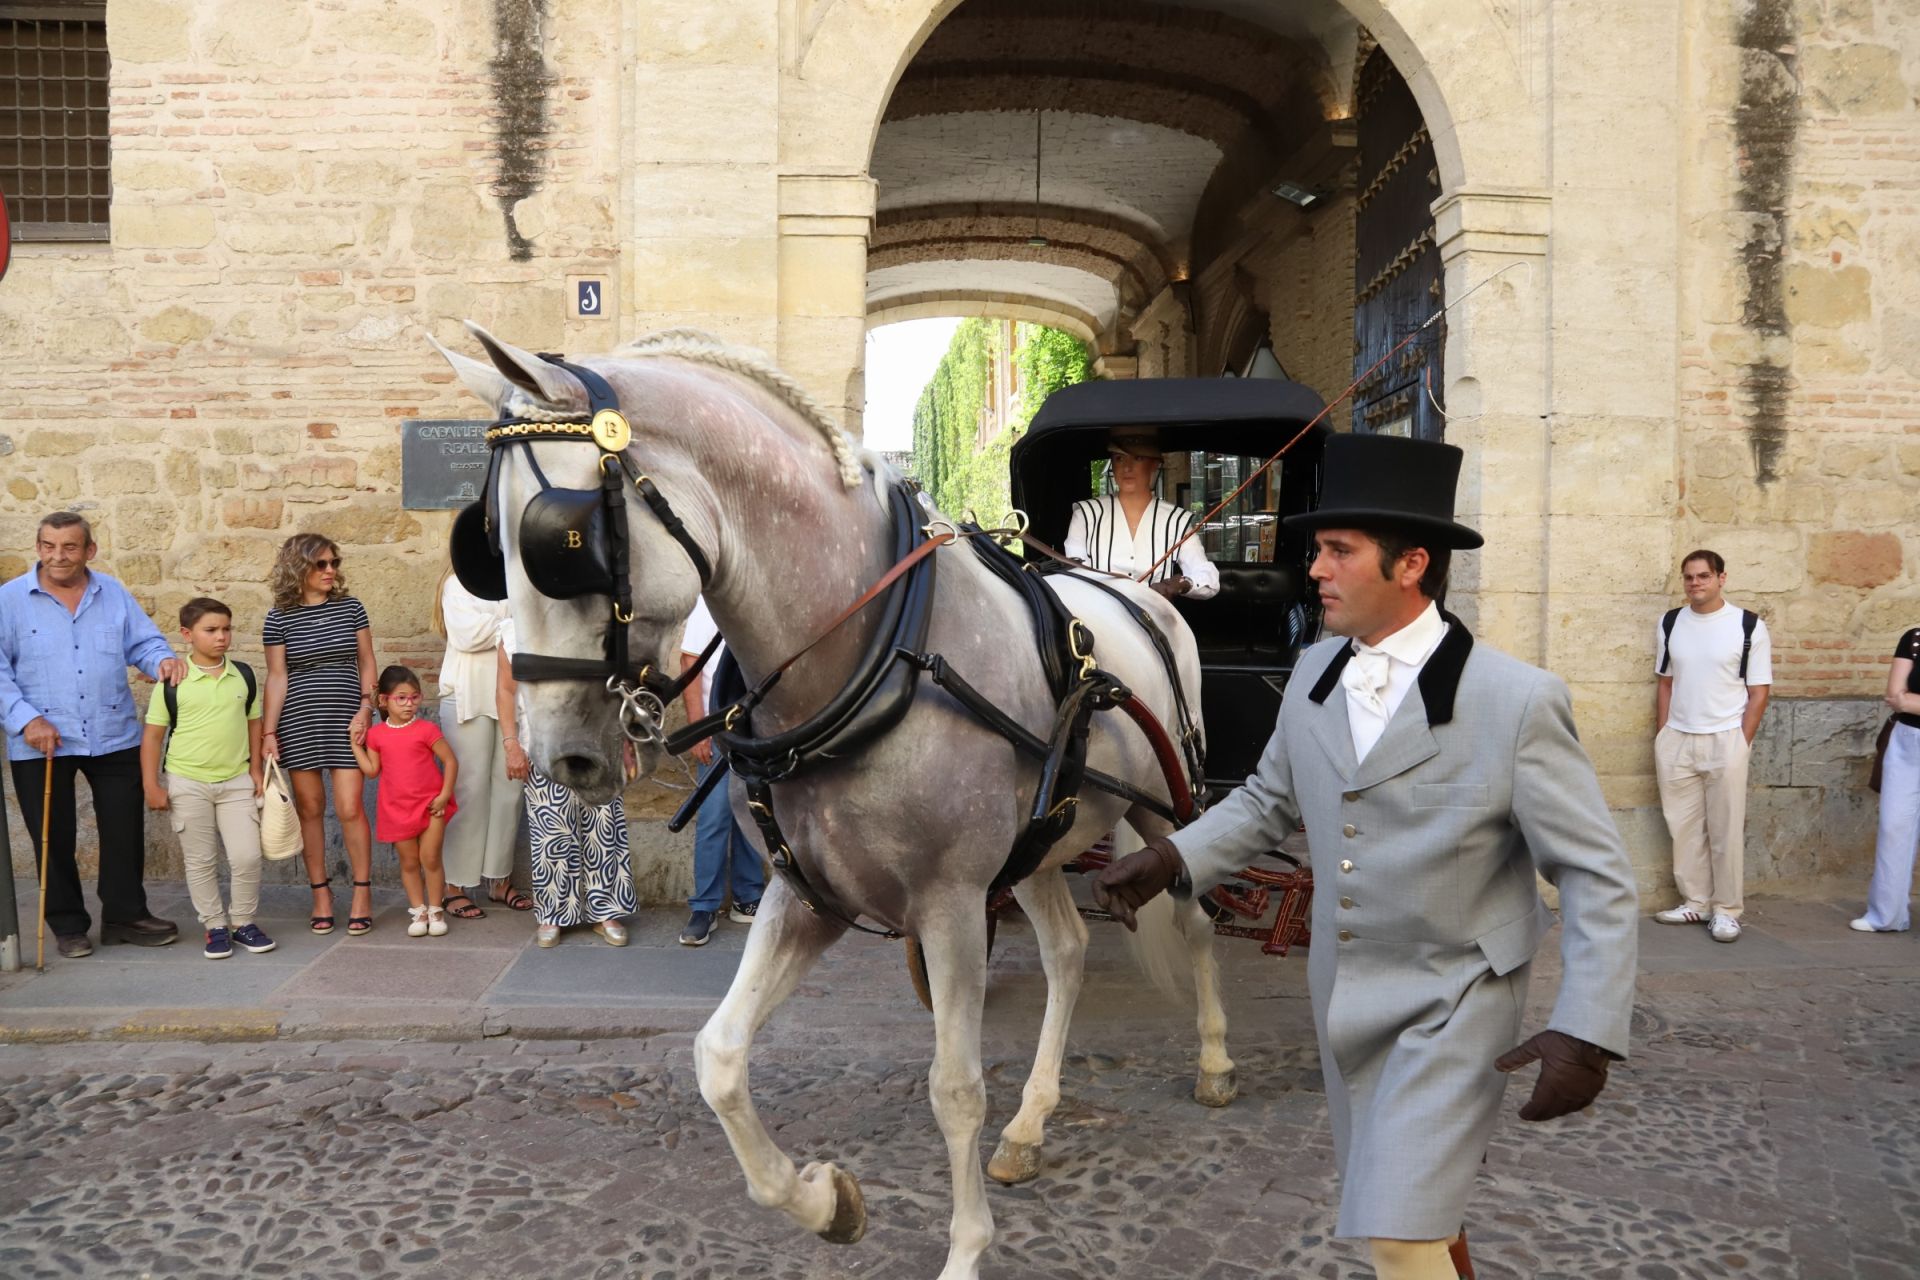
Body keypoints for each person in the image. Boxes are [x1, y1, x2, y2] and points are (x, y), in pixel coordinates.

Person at [1092, 433, 1638, 1280]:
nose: (1315, 569)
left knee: (1398, 1235)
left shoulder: (1518, 701)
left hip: (1456, 1002)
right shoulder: (1314, 672)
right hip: (1342, 997)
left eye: (1338, 551)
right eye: (1317, 549)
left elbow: (1596, 876)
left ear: (1412, 564)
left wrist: (1588, 1030)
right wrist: (1170, 858)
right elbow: (1268, 800)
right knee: (1417, 1214)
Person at [0, 511, 185, 957]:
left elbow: (143, 642)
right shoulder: (8, 600)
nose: (58, 555)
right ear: (38, 547)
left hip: (112, 731)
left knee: (124, 830)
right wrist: (25, 719)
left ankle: (124, 916)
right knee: (53, 835)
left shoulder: (113, 592)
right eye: (49, 546)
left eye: (69, 546)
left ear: (89, 550)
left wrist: (161, 661)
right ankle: (67, 925)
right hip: (42, 739)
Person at [139, 597, 274, 960]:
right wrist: (152, 785)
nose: (221, 637)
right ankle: (214, 925)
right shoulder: (173, 681)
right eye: (211, 630)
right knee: (200, 860)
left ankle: (243, 922)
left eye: (226, 629)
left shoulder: (243, 675)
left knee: (247, 856)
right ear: (187, 634)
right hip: (187, 781)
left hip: (236, 780)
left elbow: (254, 722)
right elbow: (152, 737)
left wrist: (255, 770)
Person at [1651, 549, 1772, 943]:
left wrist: (1741, 742)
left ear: (1721, 578)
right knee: (1683, 827)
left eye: (1703, 576)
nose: (1695, 583)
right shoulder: (1671, 622)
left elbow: (1759, 691)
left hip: (1725, 739)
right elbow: (1666, 682)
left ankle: (1727, 910)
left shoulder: (1748, 625)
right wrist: (1664, 734)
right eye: (1689, 577)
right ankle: (1696, 902)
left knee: (1725, 831)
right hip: (1678, 739)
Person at [262, 533, 377, 936]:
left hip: (348, 720)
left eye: (334, 563)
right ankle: (321, 895)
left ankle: (362, 893)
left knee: (350, 807)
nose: (330, 571)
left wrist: (366, 707)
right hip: (299, 721)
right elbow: (277, 677)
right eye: (321, 564)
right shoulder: (278, 617)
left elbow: (367, 661)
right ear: (299, 567)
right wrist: (269, 732)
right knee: (310, 808)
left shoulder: (351, 608)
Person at [497, 619, 636, 948]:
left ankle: (606, 912)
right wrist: (511, 743)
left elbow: (618, 686)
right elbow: (505, 690)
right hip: (542, 746)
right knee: (551, 832)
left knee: (603, 828)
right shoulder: (514, 630)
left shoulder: (596, 620)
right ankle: (553, 914)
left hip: (598, 742)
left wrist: (627, 739)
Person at [434, 567, 530, 919]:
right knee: (469, 791)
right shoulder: (457, 583)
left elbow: (531, 629)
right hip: (468, 697)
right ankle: (454, 885)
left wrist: (508, 626)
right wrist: (512, 625)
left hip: (512, 698)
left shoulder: (516, 580)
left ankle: (499, 879)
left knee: (509, 789)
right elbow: (467, 635)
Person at [677, 596, 763, 947]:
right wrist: (698, 728)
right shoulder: (709, 602)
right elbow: (690, 661)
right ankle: (705, 907)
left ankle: (748, 897)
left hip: (755, 727)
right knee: (714, 817)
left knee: (752, 813)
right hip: (717, 727)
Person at [349, 665, 458, 939]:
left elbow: (450, 761)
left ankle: (436, 911)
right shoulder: (376, 735)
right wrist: (355, 745)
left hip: (431, 805)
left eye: (414, 697)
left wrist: (444, 795)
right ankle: (419, 911)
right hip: (396, 809)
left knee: (430, 857)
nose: (409, 704)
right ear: (384, 700)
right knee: (409, 862)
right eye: (401, 698)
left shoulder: (426, 729)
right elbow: (372, 771)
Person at [1063, 427, 1219, 600]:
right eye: (1119, 458)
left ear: (1155, 464)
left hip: (1154, 615)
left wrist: (1183, 584)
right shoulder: (1085, 515)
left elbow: (1208, 578)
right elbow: (1075, 575)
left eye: (1138, 458)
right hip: (1097, 615)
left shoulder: (1176, 520)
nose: (1127, 468)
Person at [1853, 627, 1920, 933]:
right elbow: (1895, 696)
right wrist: (1904, 701)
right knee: (1893, 826)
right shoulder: (1914, 639)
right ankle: (1887, 915)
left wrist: (1911, 701)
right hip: (1906, 743)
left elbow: (1906, 699)